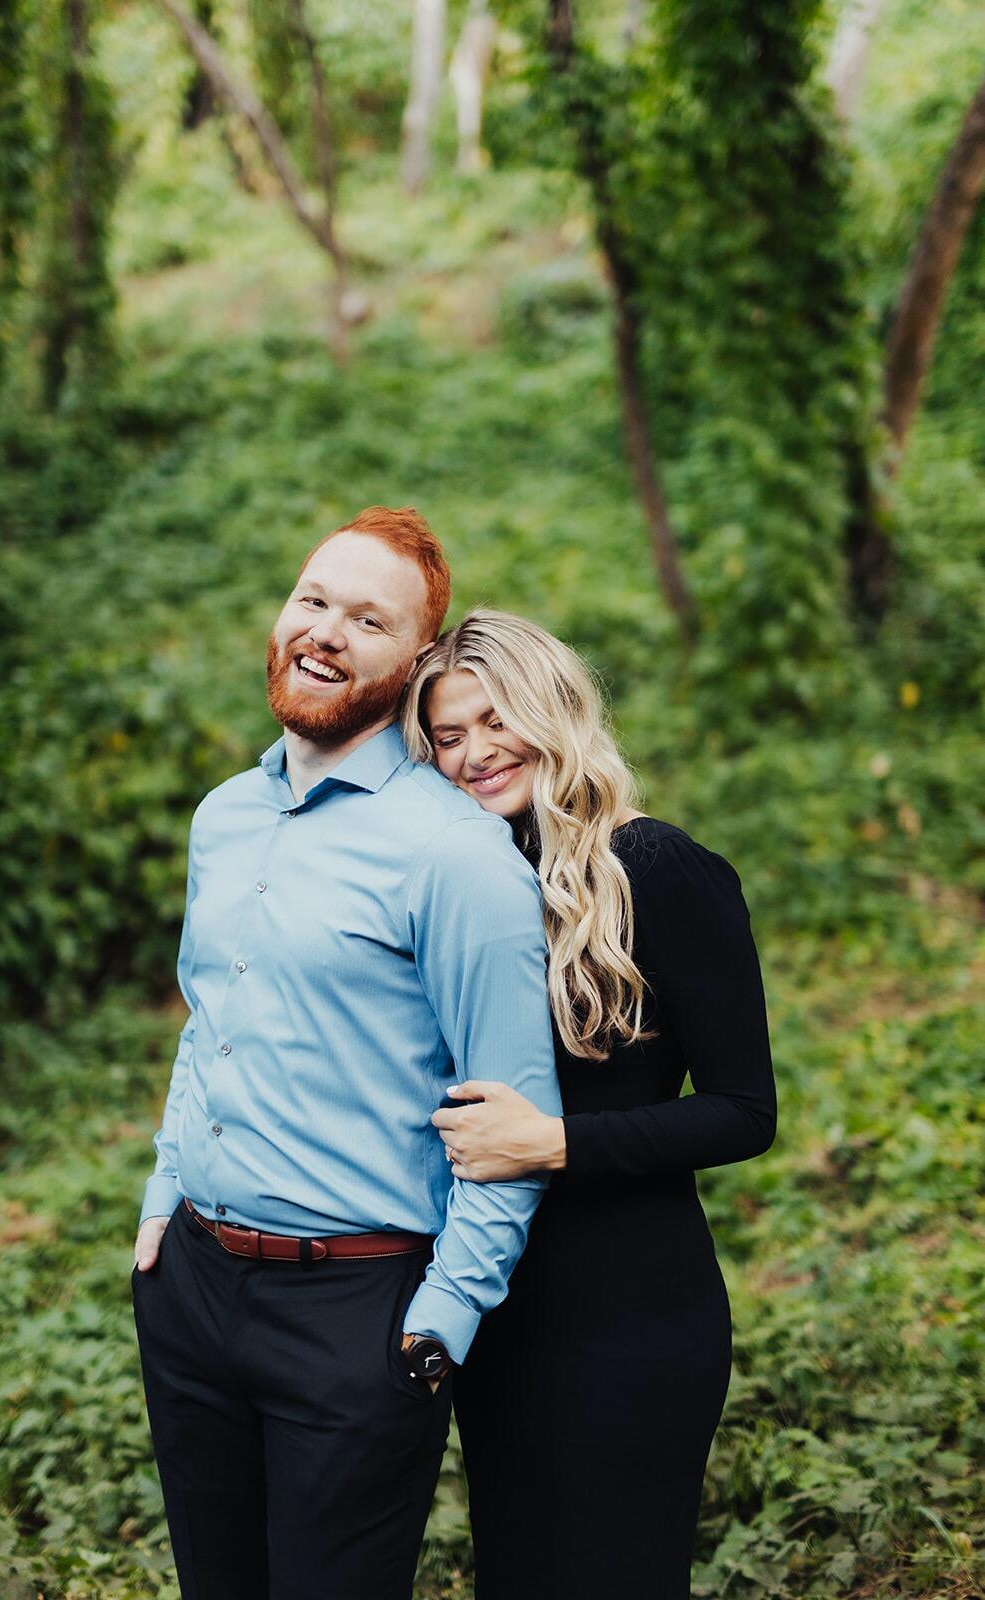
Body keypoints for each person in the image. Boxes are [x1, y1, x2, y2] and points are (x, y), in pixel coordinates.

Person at [131, 518, 562, 1600]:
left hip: (358, 1315)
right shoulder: (223, 816)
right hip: (191, 1289)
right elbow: (206, 1019)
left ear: (414, 664)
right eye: (314, 599)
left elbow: (509, 1115)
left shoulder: (456, 857)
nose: (326, 634)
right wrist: (164, 1188)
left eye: (369, 620)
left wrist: (442, 1319)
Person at [401, 609, 777, 1600]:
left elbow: (743, 1109)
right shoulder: (465, 887)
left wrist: (552, 1142)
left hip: (632, 1316)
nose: (475, 752)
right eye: (447, 735)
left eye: (495, 719)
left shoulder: (657, 869)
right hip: (502, 1313)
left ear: (551, 711)